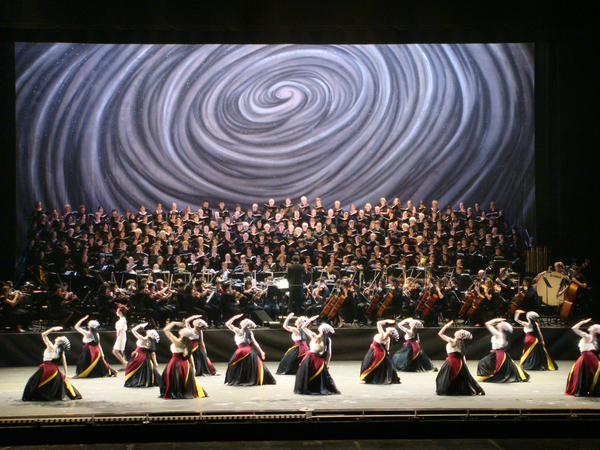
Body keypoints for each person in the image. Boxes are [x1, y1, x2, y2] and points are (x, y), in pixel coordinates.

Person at [22, 326, 82, 401]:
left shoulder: (51, 347)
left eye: (60, 338)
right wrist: (65, 374)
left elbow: (43, 334)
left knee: (33, 381)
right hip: (54, 368)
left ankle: (33, 395)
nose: (58, 337)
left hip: (47, 367)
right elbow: (64, 362)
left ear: (60, 342)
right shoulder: (60, 351)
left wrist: (52, 329)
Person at [159, 321, 208, 399]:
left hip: (177, 363)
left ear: (184, 334)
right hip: (184, 364)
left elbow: (166, 330)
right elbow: (190, 355)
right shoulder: (186, 343)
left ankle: (175, 392)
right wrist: (193, 367)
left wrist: (173, 323)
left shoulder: (177, 342)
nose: (182, 329)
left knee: (173, 378)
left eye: (183, 330)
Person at [224, 314, 276, 386]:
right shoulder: (250, 332)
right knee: (256, 365)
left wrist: (234, 317)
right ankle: (270, 380)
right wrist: (261, 352)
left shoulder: (238, 331)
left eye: (244, 321)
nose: (242, 321)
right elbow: (254, 343)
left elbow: (227, 324)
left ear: (245, 325)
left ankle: (231, 380)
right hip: (250, 351)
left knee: (233, 365)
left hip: (242, 350)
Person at [436, 321, 485, 396]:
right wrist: (464, 364)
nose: (457, 331)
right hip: (459, 362)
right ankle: (480, 389)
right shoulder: (460, 343)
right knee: (467, 376)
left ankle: (448, 389)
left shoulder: (453, 341)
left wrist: (446, 326)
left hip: (452, 362)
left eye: (459, 332)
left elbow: (440, 333)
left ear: (460, 336)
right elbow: (462, 355)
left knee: (443, 377)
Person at [294, 317, 340, 395]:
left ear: (320, 329)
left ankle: (306, 388)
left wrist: (310, 320)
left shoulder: (314, 336)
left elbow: (303, 328)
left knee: (305, 374)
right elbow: (329, 353)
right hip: (319, 360)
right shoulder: (328, 339)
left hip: (310, 358)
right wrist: (326, 364)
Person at [476, 318, 530, 383]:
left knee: (482, 362)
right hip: (500, 353)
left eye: (500, 323)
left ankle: (485, 377)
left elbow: (487, 324)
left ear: (503, 327)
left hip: (497, 353)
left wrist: (497, 319)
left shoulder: (498, 334)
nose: (499, 323)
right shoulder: (503, 335)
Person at [565, 319, 600, 397]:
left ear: (595, 331)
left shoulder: (587, 336)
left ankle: (582, 389)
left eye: (593, 327)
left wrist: (583, 322)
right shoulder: (595, 339)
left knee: (583, 373)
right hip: (591, 358)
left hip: (586, 358)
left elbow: (574, 328)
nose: (591, 326)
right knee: (588, 374)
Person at [359, 319, 401, 384]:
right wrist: (387, 355)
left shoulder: (383, 335)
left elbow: (378, 323)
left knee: (369, 364)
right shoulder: (388, 338)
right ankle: (393, 378)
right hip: (381, 352)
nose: (389, 327)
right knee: (387, 365)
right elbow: (387, 349)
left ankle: (366, 379)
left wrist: (387, 320)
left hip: (376, 352)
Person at [124, 323, 161, 388]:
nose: (149, 330)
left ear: (150, 335)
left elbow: (133, 330)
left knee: (133, 368)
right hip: (145, 357)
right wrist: (155, 362)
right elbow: (152, 353)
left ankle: (135, 381)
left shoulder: (143, 339)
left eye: (150, 331)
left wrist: (140, 325)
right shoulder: (149, 342)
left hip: (138, 356)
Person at [112, 305, 129, 370]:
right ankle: (125, 365)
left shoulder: (123, 319)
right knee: (121, 350)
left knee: (115, 351)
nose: (116, 312)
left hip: (121, 335)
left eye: (117, 311)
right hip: (121, 335)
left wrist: (118, 333)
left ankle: (124, 362)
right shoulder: (121, 319)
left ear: (120, 312)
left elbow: (121, 327)